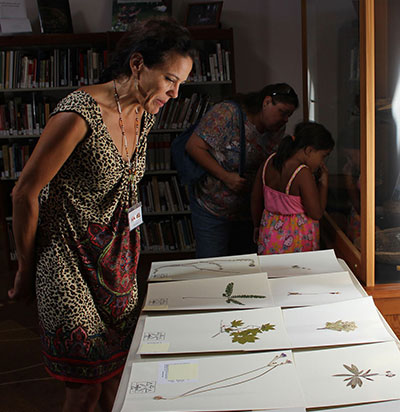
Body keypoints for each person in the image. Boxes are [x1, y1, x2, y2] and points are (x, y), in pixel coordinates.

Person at [8, 17, 193, 412]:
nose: (175, 94)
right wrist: (25, 267)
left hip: (117, 259)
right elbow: (24, 193)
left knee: (117, 375)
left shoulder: (147, 113)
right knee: (84, 386)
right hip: (66, 258)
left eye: (181, 85)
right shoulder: (78, 114)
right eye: (170, 80)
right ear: (138, 64)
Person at [185, 83, 299, 258]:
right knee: (212, 266)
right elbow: (194, 147)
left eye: (289, 115)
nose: (285, 120)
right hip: (212, 207)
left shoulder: (277, 129)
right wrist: (226, 177)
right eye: (283, 112)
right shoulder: (227, 114)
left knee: (245, 265)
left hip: (246, 211)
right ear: (267, 102)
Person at [251, 121, 335, 255]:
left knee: (271, 273)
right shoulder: (302, 173)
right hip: (297, 241)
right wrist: (324, 183)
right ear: (309, 150)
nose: (322, 163)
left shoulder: (269, 162)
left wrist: (256, 226)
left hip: (269, 236)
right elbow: (316, 213)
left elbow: (256, 199)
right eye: (322, 156)